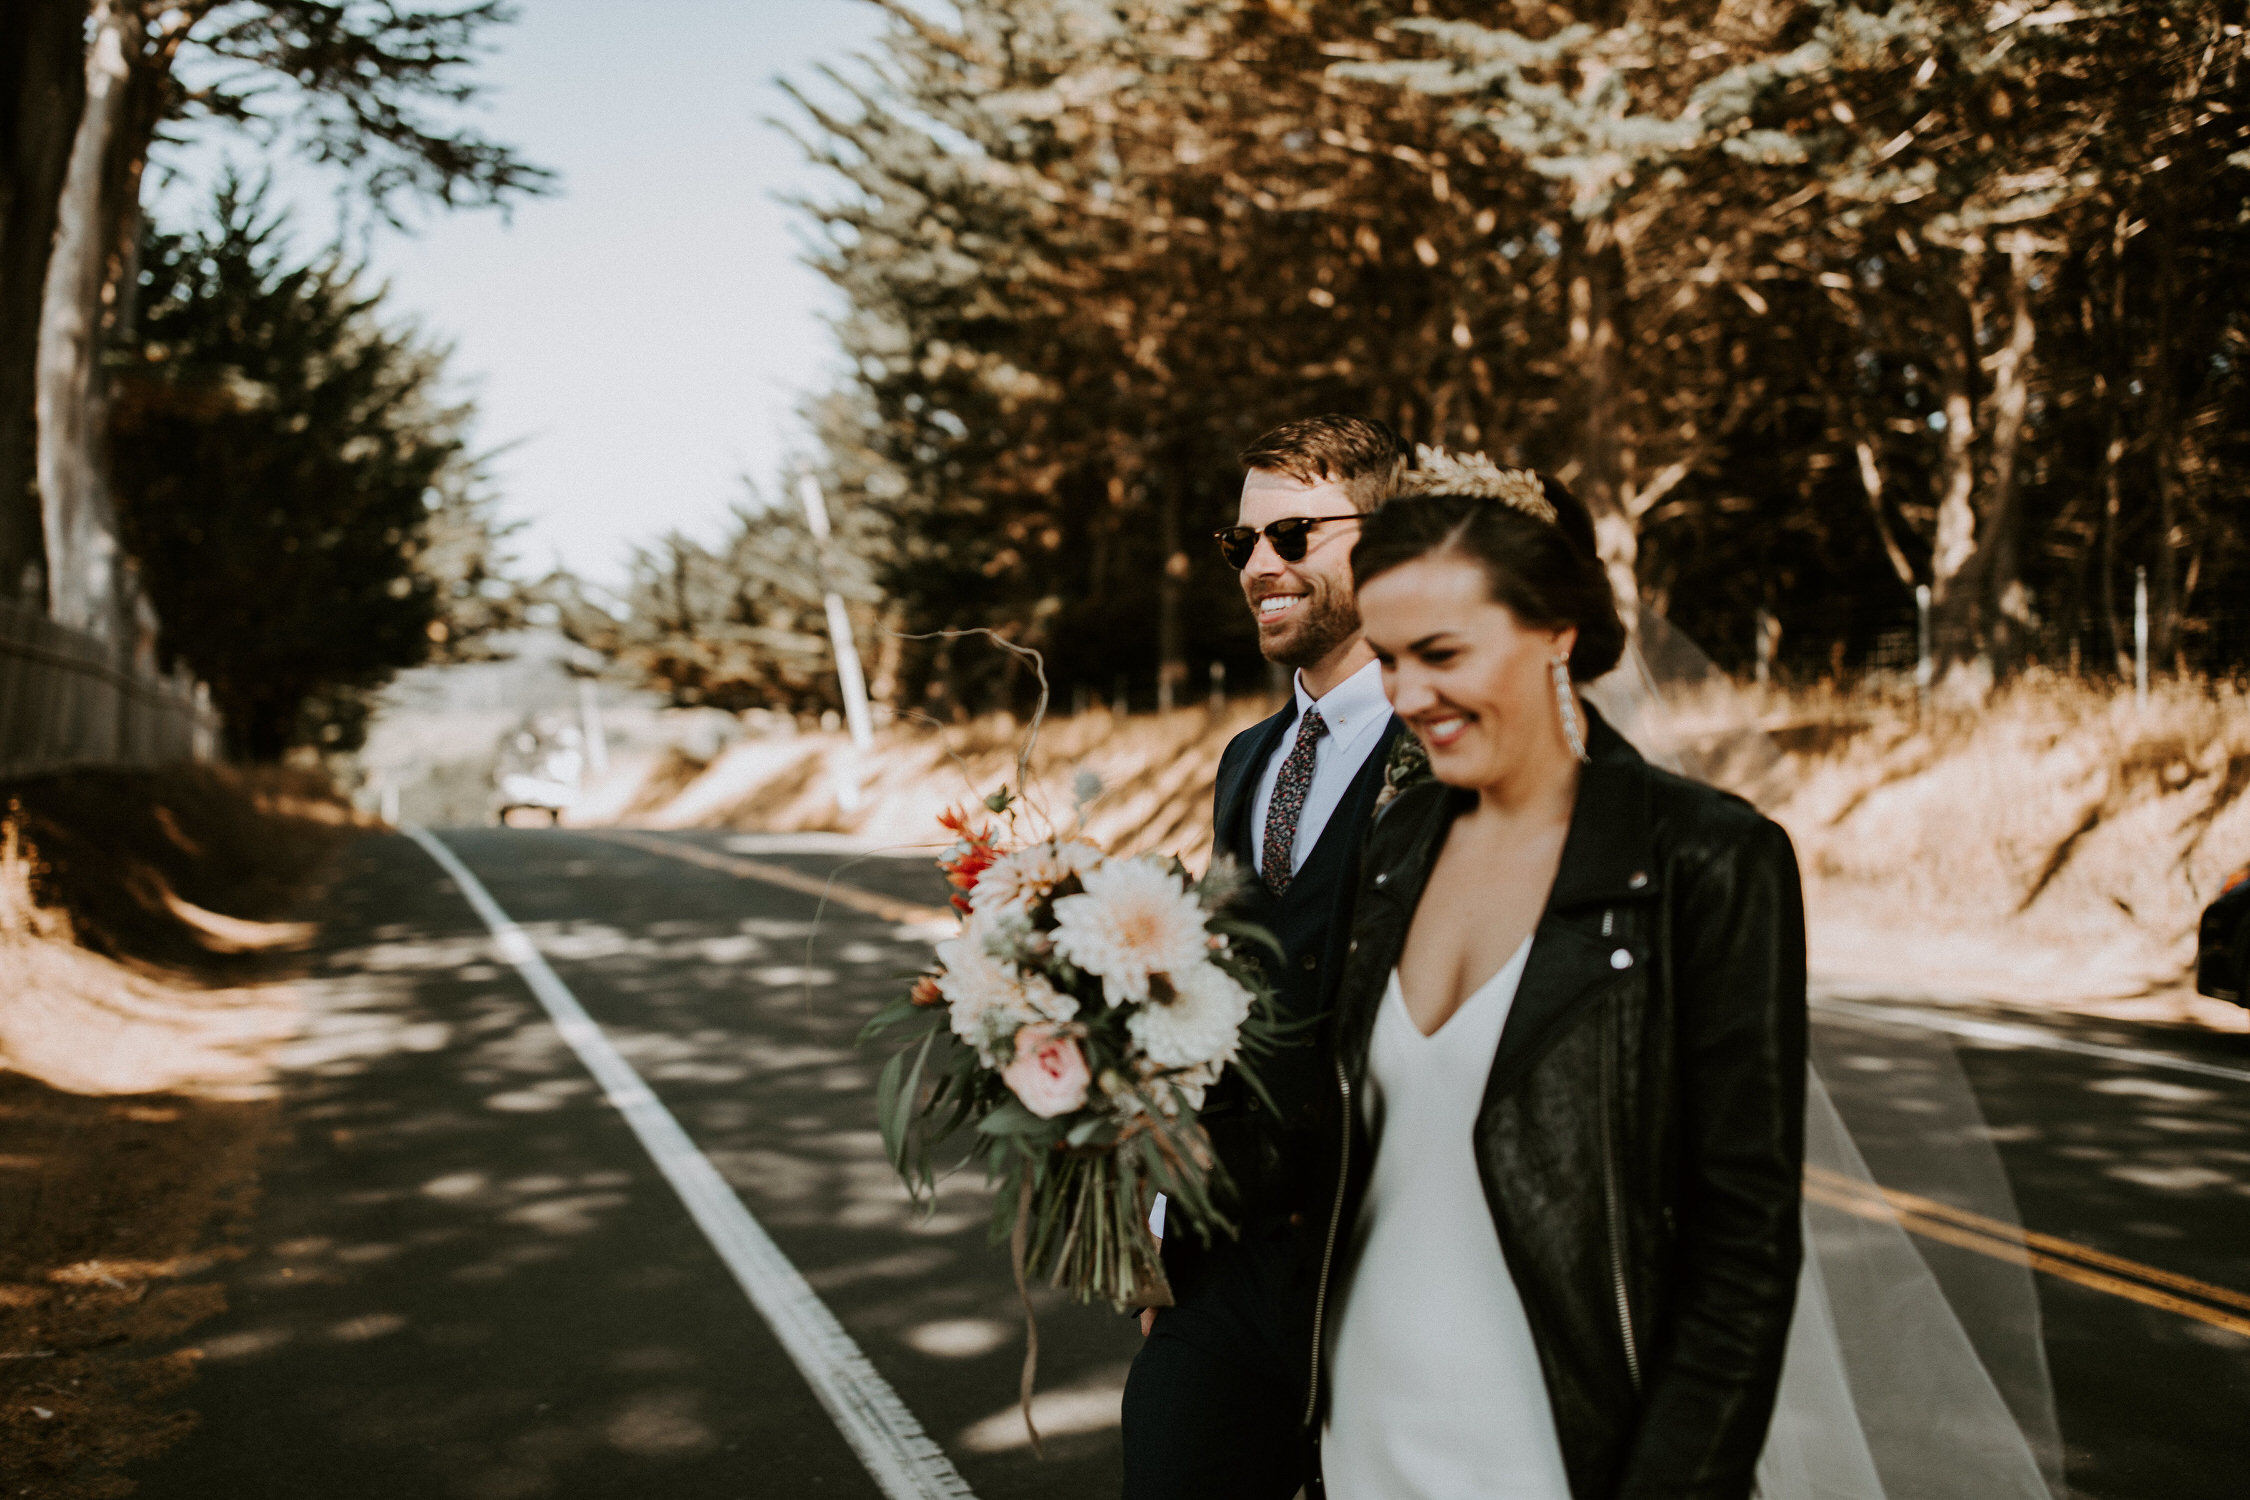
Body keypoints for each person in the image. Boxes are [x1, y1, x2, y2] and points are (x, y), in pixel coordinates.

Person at [1317, 463, 1807, 1498]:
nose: (1409, 697)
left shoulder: (1707, 862)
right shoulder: (1396, 846)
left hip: (1559, 1456)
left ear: (1556, 632)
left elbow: (1744, 1251)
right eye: (1390, 660)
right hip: (1363, 1436)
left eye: (1442, 654)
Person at [1120, 414, 1407, 1500]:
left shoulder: (1443, 739)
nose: (1262, 567)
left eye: (1294, 535)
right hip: (1225, 1274)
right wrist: (1164, 1236)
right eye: (1241, 544)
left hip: (1377, 1266)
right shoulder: (1249, 758)